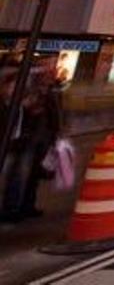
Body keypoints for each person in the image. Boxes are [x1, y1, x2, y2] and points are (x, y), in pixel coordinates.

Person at [1, 60, 63, 222]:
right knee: (17, 173)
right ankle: (11, 208)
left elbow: (53, 113)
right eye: (47, 70)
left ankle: (25, 205)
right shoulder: (23, 91)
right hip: (21, 139)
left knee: (32, 174)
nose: (52, 73)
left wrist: (55, 134)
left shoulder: (48, 91)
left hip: (37, 138)